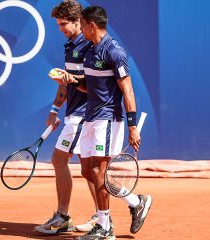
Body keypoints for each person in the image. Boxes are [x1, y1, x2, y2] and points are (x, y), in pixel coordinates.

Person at [51, 5, 153, 240]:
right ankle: (136, 201)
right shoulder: (90, 51)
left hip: (107, 119)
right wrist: (71, 80)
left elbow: (127, 90)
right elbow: (88, 85)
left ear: (91, 26)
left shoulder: (114, 52)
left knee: (99, 171)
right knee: (88, 171)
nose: (81, 32)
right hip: (90, 118)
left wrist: (132, 126)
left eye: (83, 26)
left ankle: (105, 227)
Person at [34, 0, 99, 235]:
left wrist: (71, 82)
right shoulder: (70, 46)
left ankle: (63, 216)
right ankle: (106, 213)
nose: (60, 28)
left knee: (59, 160)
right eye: (58, 24)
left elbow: (95, 85)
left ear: (78, 22)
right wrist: (54, 110)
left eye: (64, 24)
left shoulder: (90, 47)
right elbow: (66, 83)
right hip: (74, 112)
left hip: (84, 114)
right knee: (89, 169)